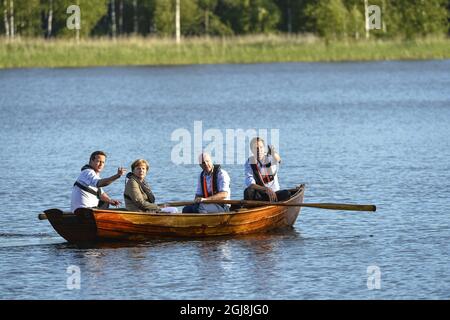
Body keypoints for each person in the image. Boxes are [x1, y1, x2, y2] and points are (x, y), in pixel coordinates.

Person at [244, 137, 291, 202]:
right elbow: (250, 184)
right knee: (248, 191)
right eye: (256, 148)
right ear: (252, 150)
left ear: (264, 148)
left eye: (261, 147)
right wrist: (265, 189)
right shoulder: (249, 162)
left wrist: (273, 152)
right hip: (261, 194)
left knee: (287, 193)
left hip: (274, 194)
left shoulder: (270, 158)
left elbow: (278, 159)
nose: (259, 150)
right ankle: (253, 208)